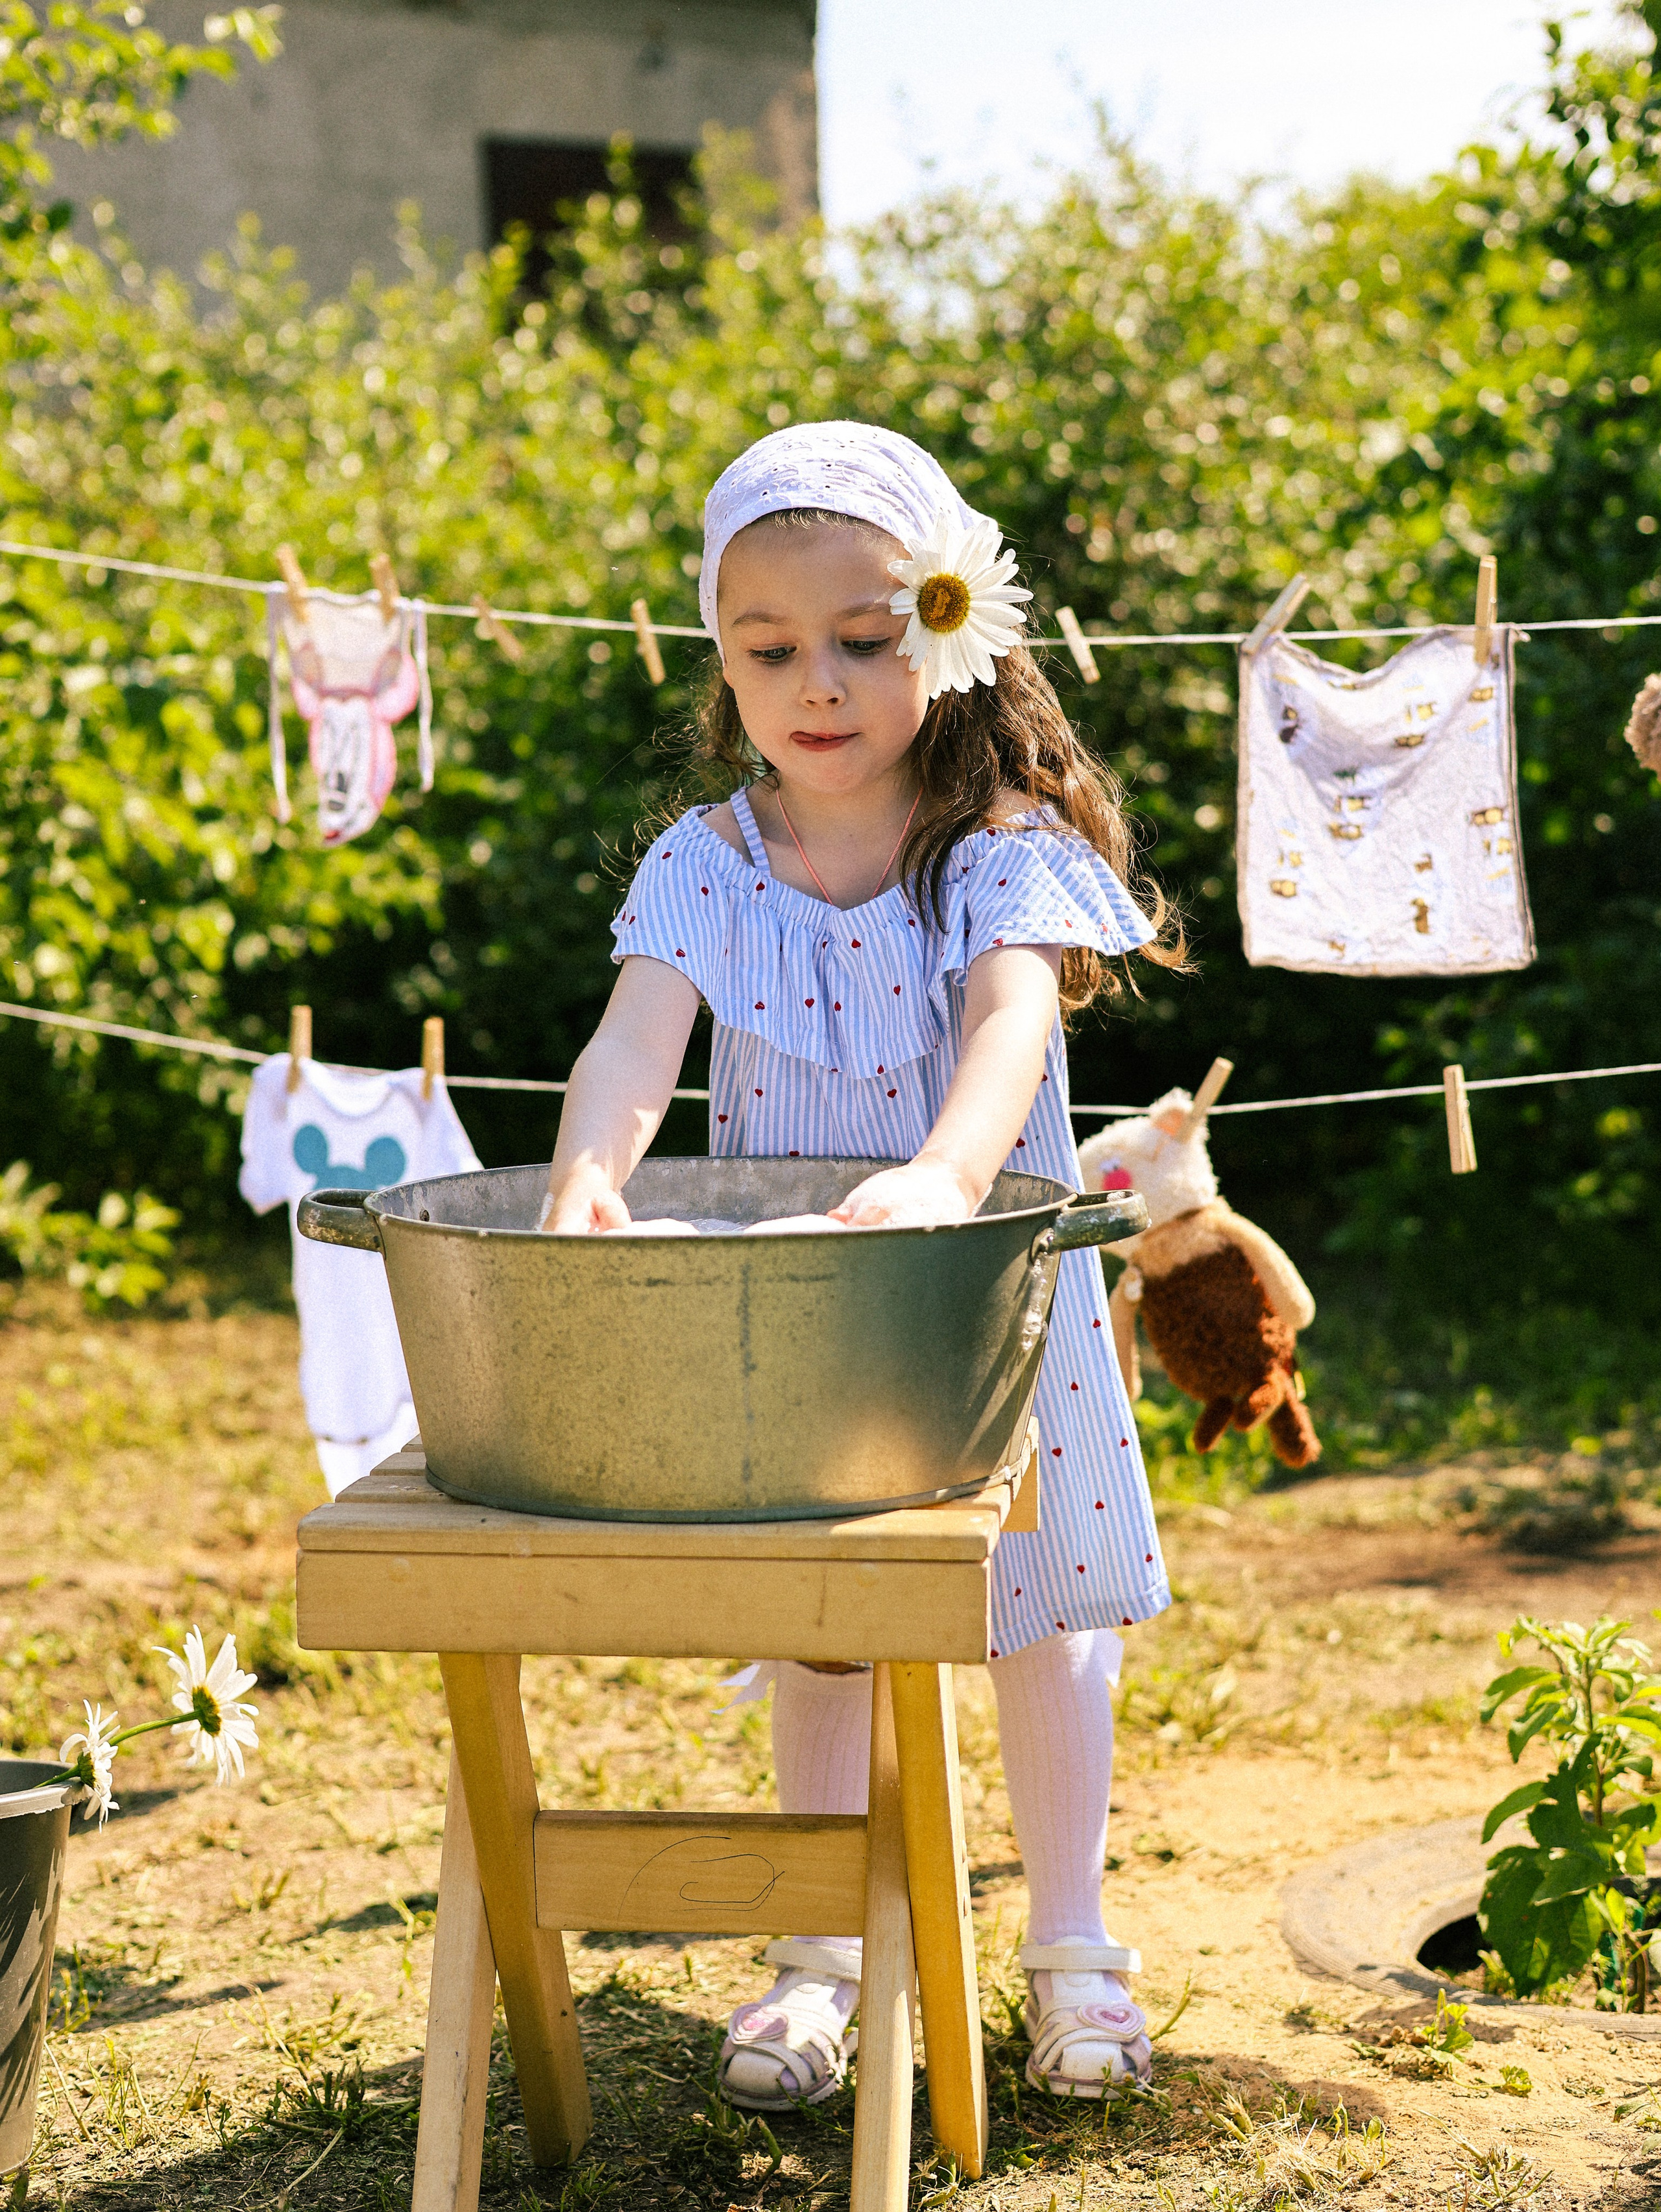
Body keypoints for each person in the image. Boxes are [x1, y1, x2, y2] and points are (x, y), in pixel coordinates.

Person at [541, 421, 1182, 2106]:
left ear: (948, 631)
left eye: (863, 638)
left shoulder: (992, 845)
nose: (816, 683)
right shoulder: (709, 861)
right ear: (725, 662)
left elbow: (1008, 1025)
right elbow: (631, 1039)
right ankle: (819, 1954)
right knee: (822, 1626)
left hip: (992, 1309)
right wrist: (592, 1175)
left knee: (1040, 1620)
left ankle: (1072, 1951)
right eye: (771, 650)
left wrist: (943, 1176)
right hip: (804, 1319)